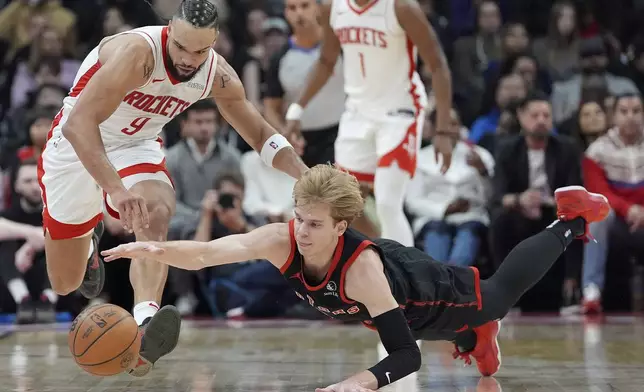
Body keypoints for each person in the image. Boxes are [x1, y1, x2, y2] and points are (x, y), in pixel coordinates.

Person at [103, 165, 610, 392]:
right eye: (299, 217)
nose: (301, 230)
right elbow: (209, 253)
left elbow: (406, 356)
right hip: (381, 308)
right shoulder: (284, 238)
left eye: (315, 224)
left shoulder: (362, 270)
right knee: (432, 329)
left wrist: (358, 382)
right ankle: (473, 338)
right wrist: (153, 247)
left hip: (423, 289)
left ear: (341, 227)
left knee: (495, 298)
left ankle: (571, 221)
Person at [38, 0, 307, 377]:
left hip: (137, 144)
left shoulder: (216, 74)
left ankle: (145, 320)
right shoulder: (137, 53)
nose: (188, 58)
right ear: (169, 31)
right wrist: (114, 189)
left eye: (200, 50)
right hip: (79, 142)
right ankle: (88, 242)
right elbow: (78, 125)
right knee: (65, 283)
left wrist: (304, 173)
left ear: (214, 43)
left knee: (155, 213)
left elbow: (260, 133)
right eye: (181, 47)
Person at [284, 0, 454, 247]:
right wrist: (296, 109)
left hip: (399, 110)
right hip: (357, 112)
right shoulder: (334, 8)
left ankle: (404, 278)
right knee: (341, 204)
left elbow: (438, 65)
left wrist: (443, 130)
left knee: (387, 202)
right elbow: (326, 61)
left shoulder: (401, 7)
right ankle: (379, 254)